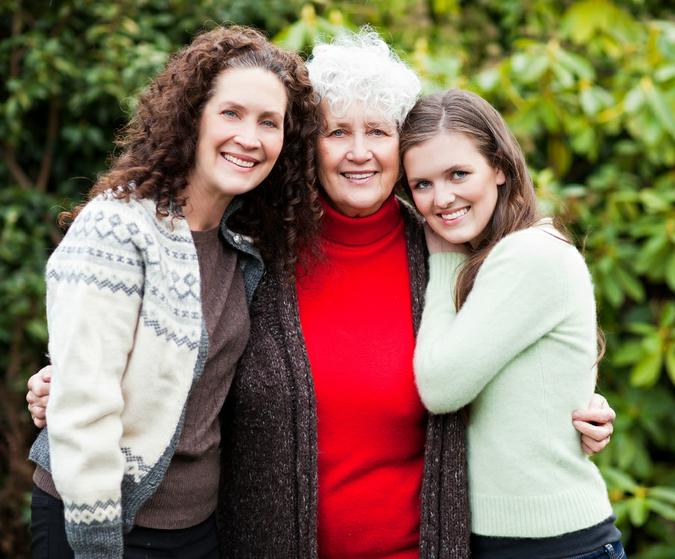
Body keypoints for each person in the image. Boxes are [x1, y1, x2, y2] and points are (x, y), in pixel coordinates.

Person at [26, 29, 616, 558]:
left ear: (401, 147)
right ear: (309, 145)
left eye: (379, 132)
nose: (359, 152)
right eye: (338, 132)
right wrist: (71, 387)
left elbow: (523, 353)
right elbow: (181, 359)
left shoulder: (449, 252)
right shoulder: (256, 246)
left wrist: (580, 408)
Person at [26, 26, 321, 558]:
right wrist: (96, 542)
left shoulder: (248, 243)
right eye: (230, 113)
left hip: (198, 529)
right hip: (103, 521)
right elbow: (85, 405)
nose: (249, 138)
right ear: (193, 116)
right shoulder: (119, 227)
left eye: (269, 122)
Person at [401, 88, 624, 558]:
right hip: (505, 541)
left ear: (500, 167)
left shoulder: (529, 254)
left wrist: (443, 264)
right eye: (422, 184)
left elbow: (441, 386)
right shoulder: (493, 259)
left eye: (459, 174)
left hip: (554, 545)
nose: (442, 198)